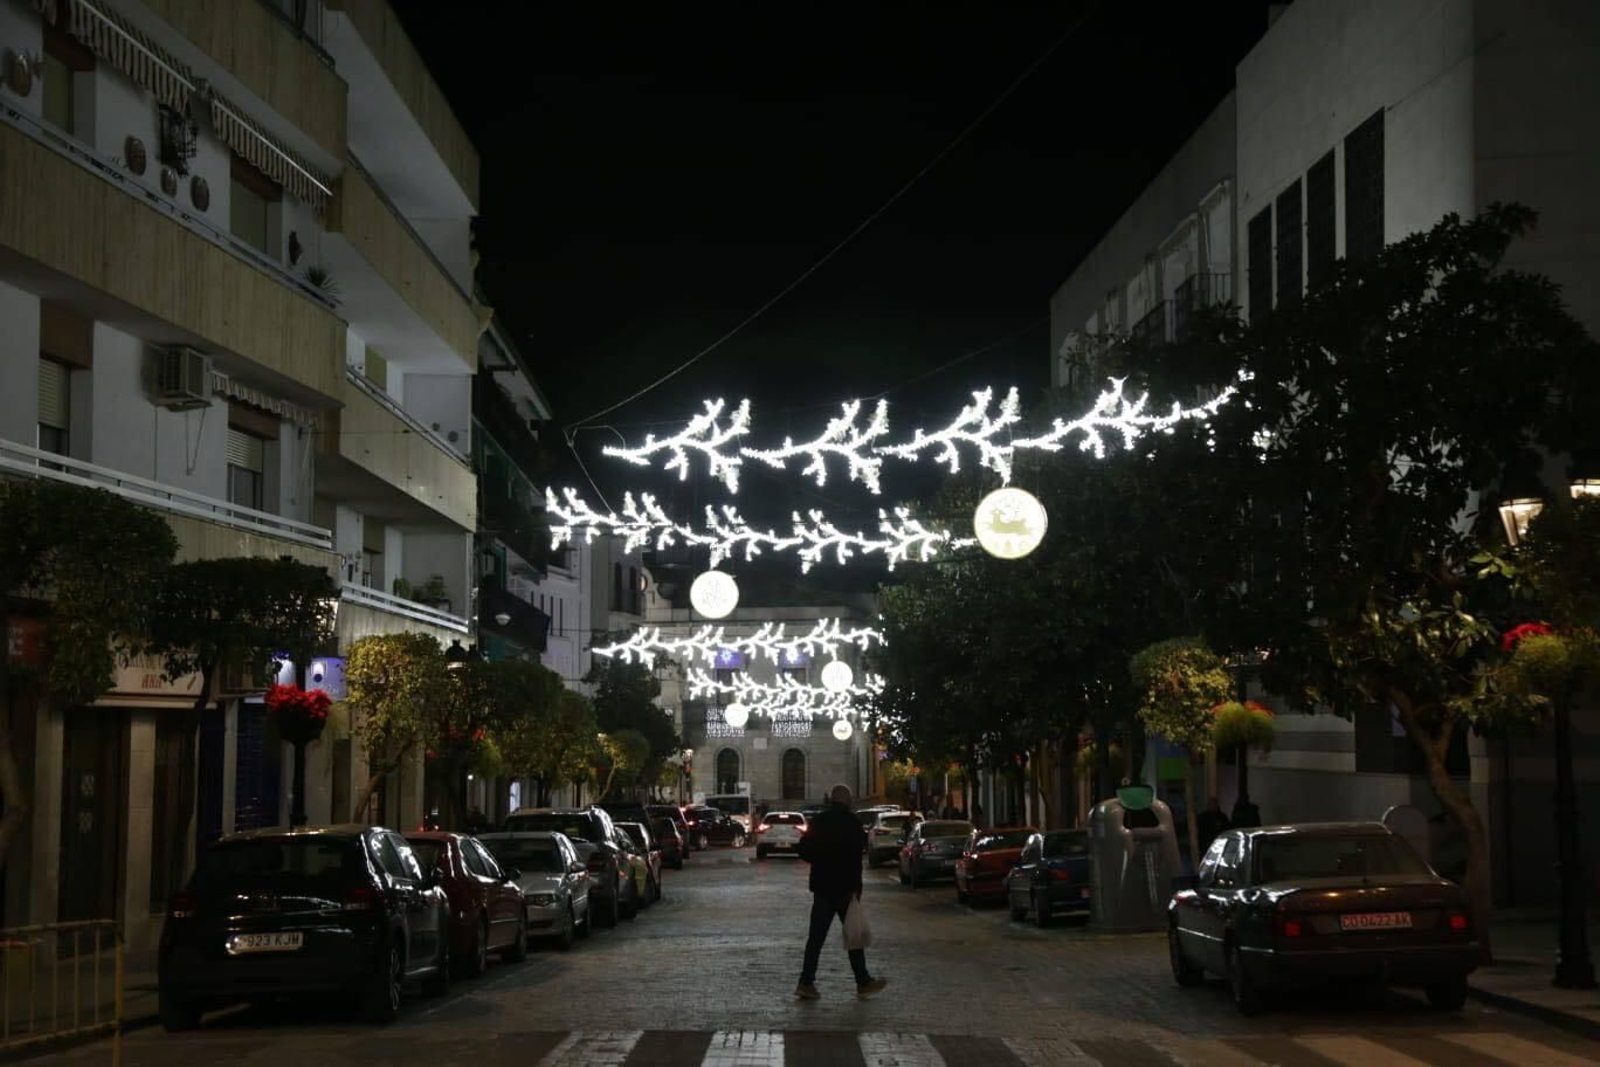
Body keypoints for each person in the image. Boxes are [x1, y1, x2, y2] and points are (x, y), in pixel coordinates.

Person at [794, 784, 887, 1001]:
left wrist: (820, 858)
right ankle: (863, 981)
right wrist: (857, 888)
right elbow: (857, 859)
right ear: (847, 800)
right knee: (854, 935)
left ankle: (806, 982)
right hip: (845, 889)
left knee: (815, 939)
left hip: (823, 888)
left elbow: (804, 849)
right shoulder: (853, 823)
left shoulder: (819, 822)